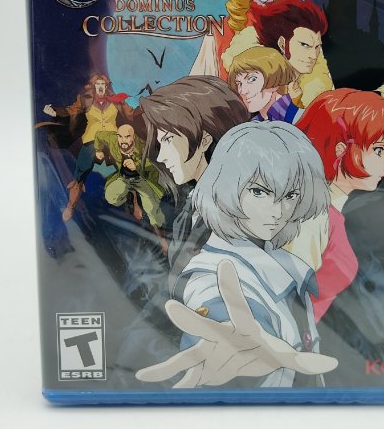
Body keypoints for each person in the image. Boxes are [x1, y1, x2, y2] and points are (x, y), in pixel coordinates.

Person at [136, 122, 337, 388]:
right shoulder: (212, 274)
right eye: (259, 192)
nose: (277, 211)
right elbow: (220, 311)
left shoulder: (281, 262)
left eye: (290, 195)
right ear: (225, 186)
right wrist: (234, 347)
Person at [287, 89, 384, 321]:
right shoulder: (313, 217)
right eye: (378, 151)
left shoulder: (326, 214)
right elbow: (285, 295)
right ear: (341, 150)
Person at [138, 76, 250, 283]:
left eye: (168, 139)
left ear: (205, 138)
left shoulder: (235, 212)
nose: (161, 156)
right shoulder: (190, 207)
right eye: (160, 143)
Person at [43, 73, 133, 221]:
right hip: (92, 140)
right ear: (93, 86)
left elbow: (131, 114)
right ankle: (70, 206)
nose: (100, 87)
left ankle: (132, 204)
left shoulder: (117, 100)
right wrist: (55, 112)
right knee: (79, 173)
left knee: (128, 169)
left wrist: (147, 109)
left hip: (113, 140)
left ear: (107, 86)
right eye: (98, 84)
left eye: (103, 85)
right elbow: (71, 110)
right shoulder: (85, 99)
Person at [221, 0, 334, 108]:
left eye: (317, 47)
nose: (314, 55)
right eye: (304, 45)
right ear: (282, 44)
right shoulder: (259, 88)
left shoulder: (316, 88)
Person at [92, 124, 165, 231]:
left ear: (133, 137)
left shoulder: (143, 147)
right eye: (120, 136)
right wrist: (98, 150)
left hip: (140, 179)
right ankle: (130, 196)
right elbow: (99, 135)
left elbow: (154, 165)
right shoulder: (112, 139)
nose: (123, 140)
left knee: (152, 208)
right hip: (123, 177)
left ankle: (159, 231)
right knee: (111, 198)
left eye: (127, 137)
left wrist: (137, 166)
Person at [227, 46, 302, 123]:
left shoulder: (296, 115)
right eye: (239, 83)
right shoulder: (255, 123)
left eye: (252, 79)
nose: (243, 91)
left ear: (274, 78)